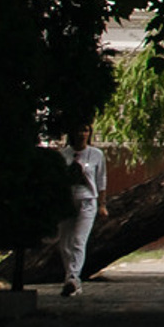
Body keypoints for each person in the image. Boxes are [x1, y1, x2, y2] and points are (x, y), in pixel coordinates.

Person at [56, 125, 105, 296]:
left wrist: (102, 204)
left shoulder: (96, 155)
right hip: (67, 201)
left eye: (85, 130)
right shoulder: (64, 155)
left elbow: (101, 180)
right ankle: (72, 279)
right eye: (78, 130)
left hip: (87, 201)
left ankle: (72, 278)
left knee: (78, 240)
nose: (81, 134)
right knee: (64, 244)